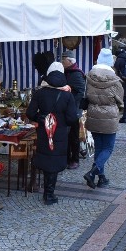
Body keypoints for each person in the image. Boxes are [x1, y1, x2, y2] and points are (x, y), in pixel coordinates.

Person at [26, 62, 78, 205]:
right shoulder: (67, 95)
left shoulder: (40, 92)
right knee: (54, 160)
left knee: (46, 157)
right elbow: (72, 118)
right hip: (60, 133)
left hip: (44, 130)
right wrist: (62, 122)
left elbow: (30, 112)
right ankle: (49, 193)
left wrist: (40, 118)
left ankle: (46, 191)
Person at [83, 48, 123, 189]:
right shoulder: (115, 80)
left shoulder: (89, 77)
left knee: (99, 148)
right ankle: (93, 172)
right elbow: (120, 101)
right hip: (109, 117)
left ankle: (101, 178)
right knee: (108, 148)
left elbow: (86, 96)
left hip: (93, 114)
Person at [61, 50, 86, 170]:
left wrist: (72, 104)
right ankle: (66, 158)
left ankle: (74, 159)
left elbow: (81, 92)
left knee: (73, 136)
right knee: (66, 136)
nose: (61, 62)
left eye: (63, 60)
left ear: (70, 61)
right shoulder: (66, 72)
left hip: (74, 110)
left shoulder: (76, 73)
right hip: (66, 109)